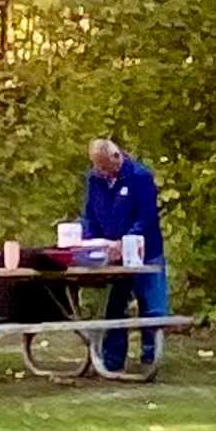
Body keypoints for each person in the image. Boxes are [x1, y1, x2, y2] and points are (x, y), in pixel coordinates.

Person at [81, 138, 168, 371]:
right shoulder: (94, 180)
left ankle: (151, 356)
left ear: (116, 157)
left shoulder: (140, 176)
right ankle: (112, 359)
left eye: (105, 166)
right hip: (110, 254)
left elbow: (146, 216)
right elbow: (89, 214)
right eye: (97, 166)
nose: (101, 171)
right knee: (114, 304)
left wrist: (125, 241)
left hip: (145, 251)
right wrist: (92, 242)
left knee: (151, 305)